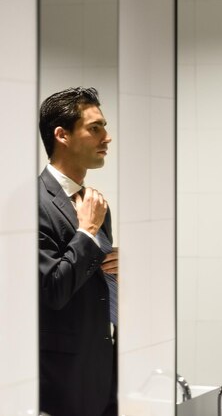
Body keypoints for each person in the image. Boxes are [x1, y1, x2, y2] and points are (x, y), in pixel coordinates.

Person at [38, 87, 118, 416]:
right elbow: (52, 290)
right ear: (62, 135)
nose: (107, 138)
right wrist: (86, 234)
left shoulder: (94, 203)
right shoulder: (35, 203)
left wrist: (115, 270)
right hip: (62, 382)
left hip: (104, 371)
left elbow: (87, 278)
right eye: (95, 128)